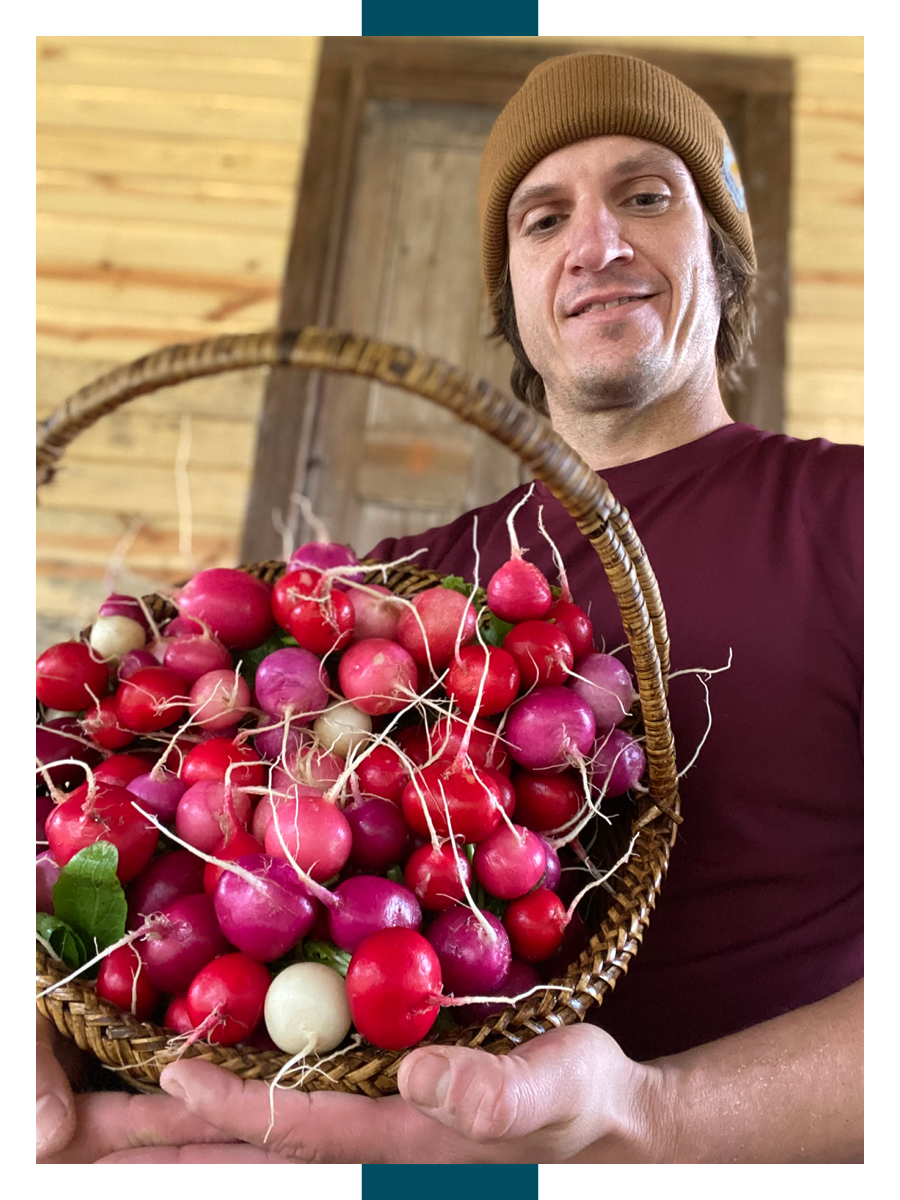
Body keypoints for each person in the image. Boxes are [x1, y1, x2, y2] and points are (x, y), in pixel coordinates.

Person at [36, 51, 863, 1164]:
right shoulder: (389, 591)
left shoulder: (857, 513)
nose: (597, 243)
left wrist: (646, 1119)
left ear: (721, 247)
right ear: (511, 296)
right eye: (542, 218)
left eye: (646, 195)